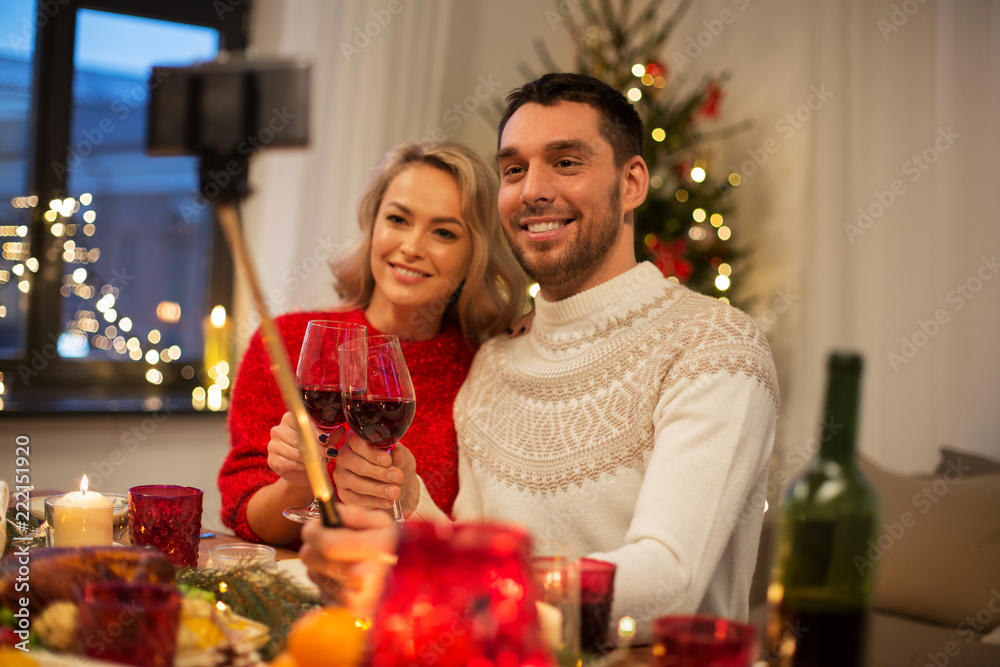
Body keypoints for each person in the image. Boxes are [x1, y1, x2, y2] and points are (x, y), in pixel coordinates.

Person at [302, 73, 779, 643]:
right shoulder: (497, 363)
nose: (532, 190)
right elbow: (474, 561)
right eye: (513, 169)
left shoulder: (715, 345)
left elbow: (665, 583)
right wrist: (409, 499)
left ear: (631, 183)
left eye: (567, 162)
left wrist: (445, 568)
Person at [218, 140, 529, 547]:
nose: (412, 247)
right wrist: (300, 482)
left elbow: (479, 540)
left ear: (476, 255)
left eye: (443, 232)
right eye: (398, 219)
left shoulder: (487, 367)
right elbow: (248, 520)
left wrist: (406, 503)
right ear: (373, 226)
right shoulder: (288, 342)